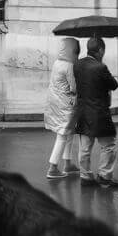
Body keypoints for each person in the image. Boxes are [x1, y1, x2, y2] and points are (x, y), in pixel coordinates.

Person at [72, 37, 118, 188]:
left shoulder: (77, 65)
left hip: (83, 112)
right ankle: (104, 175)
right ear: (100, 51)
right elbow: (114, 85)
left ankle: (85, 176)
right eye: (103, 51)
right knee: (108, 145)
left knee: (85, 148)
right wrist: (104, 69)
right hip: (99, 113)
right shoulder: (100, 67)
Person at [44, 37, 81, 179]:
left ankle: (68, 163)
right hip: (66, 104)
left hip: (56, 103)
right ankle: (53, 168)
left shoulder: (57, 62)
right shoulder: (69, 66)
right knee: (62, 135)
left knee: (69, 134)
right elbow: (74, 87)